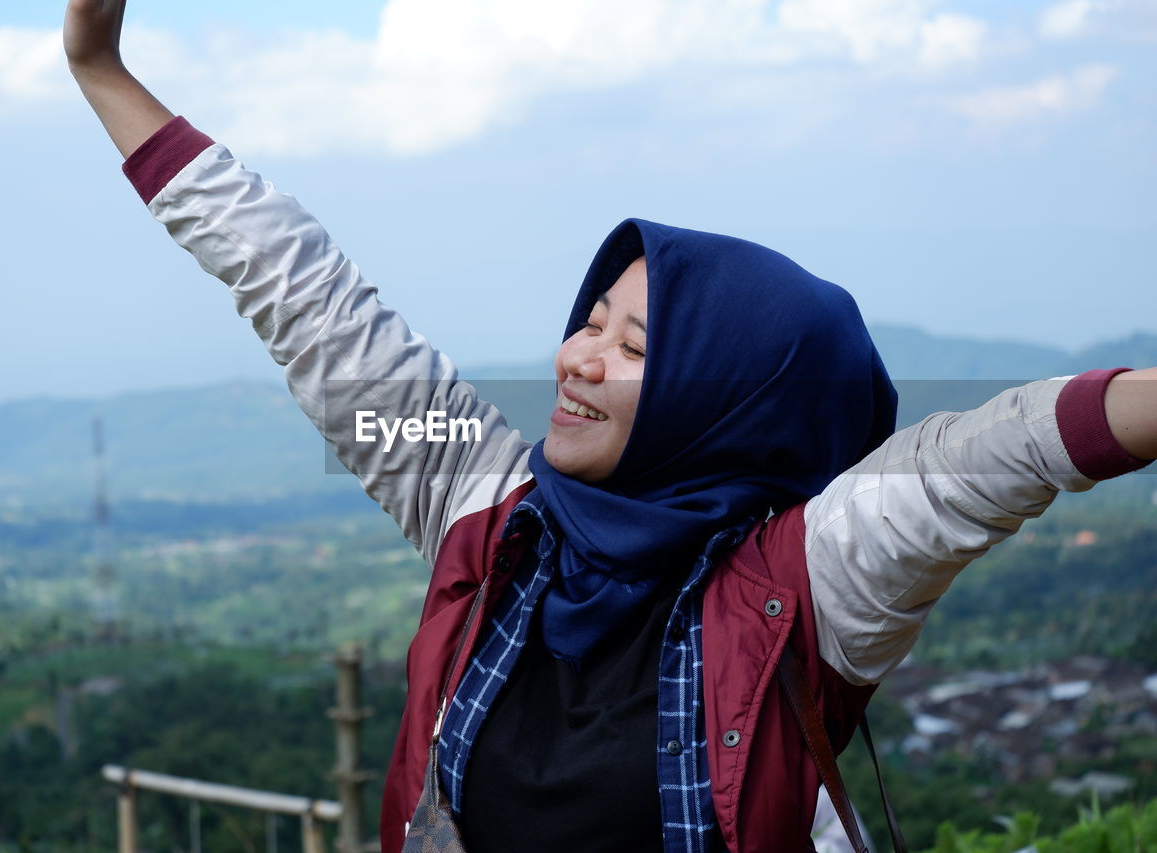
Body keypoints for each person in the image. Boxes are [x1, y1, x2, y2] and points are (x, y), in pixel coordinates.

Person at [63, 2, 1157, 851]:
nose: (573, 360)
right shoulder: (487, 508)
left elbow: (988, 455)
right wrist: (102, 72)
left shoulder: (805, 586)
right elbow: (309, 304)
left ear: (723, 400)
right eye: (587, 323)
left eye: (633, 348)